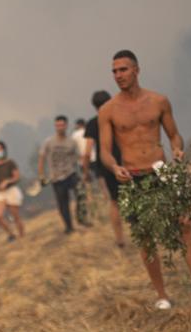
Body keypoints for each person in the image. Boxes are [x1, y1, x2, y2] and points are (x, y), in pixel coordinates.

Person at [99, 50, 191, 309]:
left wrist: (178, 150)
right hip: (134, 178)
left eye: (122, 69)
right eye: (114, 71)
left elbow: (174, 135)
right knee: (145, 237)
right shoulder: (108, 110)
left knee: (186, 224)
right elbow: (103, 150)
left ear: (136, 70)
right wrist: (114, 167)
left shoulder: (159, 101)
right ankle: (162, 296)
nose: (118, 75)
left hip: (162, 172)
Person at [84, 89, 127, 248]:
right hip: (126, 160)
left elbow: (87, 152)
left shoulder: (92, 123)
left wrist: (86, 172)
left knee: (114, 202)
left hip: (107, 165)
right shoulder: (119, 117)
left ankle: (120, 238)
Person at [38, 115, 85, 234]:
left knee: (81, 193)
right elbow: (42, 158)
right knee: (63, 203)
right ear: (55, 126)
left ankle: (81, 218)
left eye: (62, 125)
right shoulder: (48, 142)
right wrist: (41, 176)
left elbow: (77, 158)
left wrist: (83, 172)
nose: (60, 127)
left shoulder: (72, 142)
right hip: (56, 177)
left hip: (70, 173)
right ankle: (69, 226)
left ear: (66, 125)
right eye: (57, 125)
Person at [0, 141, 26, 242]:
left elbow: (17, 177)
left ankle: (22, 235)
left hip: (11, 190)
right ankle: (11, 233)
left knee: (15, 216)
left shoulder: (10, 163)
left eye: (0, 149)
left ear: (4, 150)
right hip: (0, 192)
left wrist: (7, 181)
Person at [71, 117, 93, 225]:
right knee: (100, 181)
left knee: (86, 183)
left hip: (82, 161)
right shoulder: (89, 131)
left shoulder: (75, 135)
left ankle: (91, 200)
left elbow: (73, 149)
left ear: (78, 125)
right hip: (94, 158)